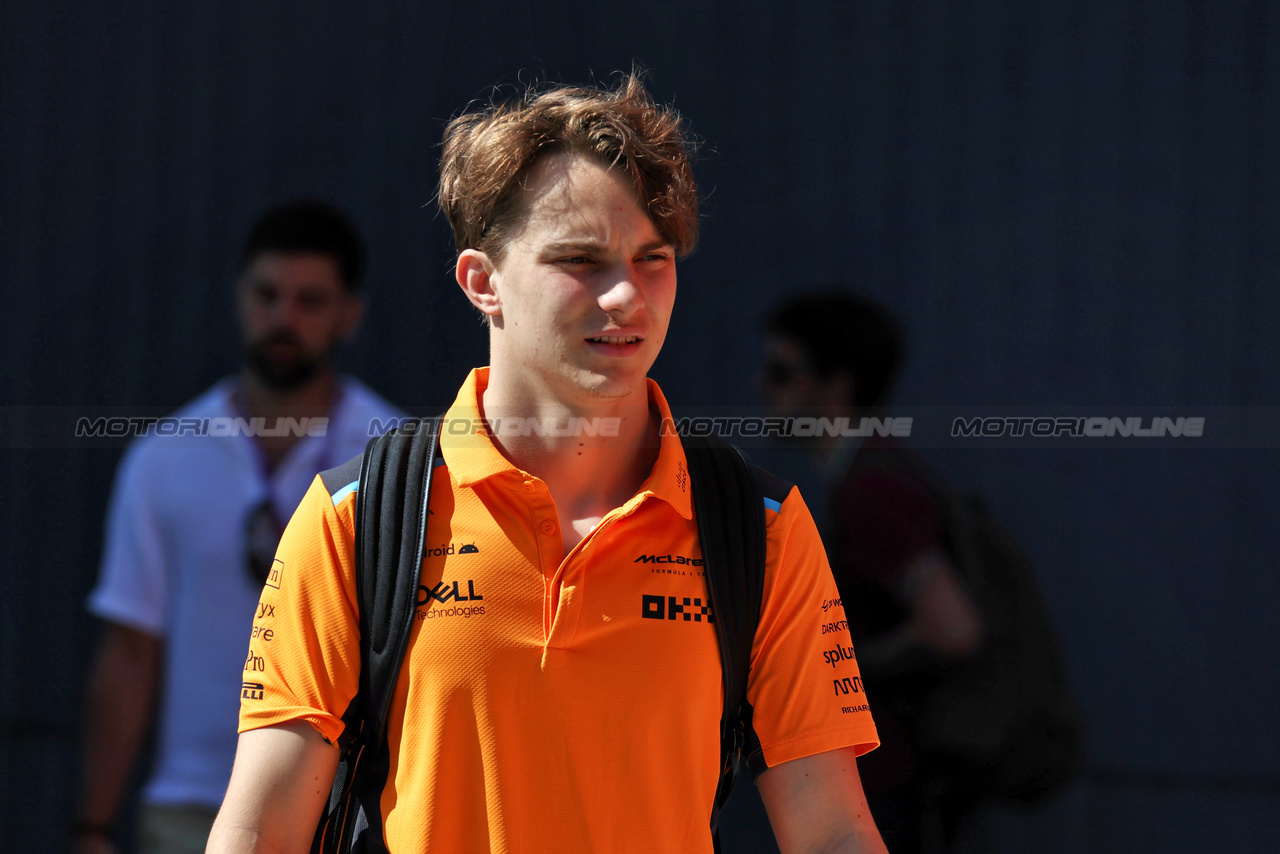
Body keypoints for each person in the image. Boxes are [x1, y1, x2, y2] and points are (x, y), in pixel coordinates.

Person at [207, 75, 889, 854]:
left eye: (652, 257)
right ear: (482, 282)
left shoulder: (758, 527)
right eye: (581, 260)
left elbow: (833, 831)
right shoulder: (356, 517)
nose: (627, 294)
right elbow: (260, 830)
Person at [78, 200, 404, 854]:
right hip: (189, 807)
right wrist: (92, 828)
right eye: (268, 295)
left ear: (349, 315)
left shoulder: (395, 459)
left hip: (345, 812)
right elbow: (130, 650)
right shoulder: (165, 456)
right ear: (239, 298)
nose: (284, 318)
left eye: (311, 301)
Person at [760, 292, 984, 854]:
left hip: (895, 787)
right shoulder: (867, 478)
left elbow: (954, 627)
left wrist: (837, 672)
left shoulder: (872, 491)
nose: (766, 390)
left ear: (836, 388)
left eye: (783, 373)